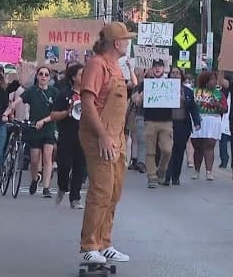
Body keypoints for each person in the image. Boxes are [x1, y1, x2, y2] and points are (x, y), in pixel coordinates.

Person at [78, 22, 133, 264]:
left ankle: (104, 243)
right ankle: (89, 245)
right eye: (126, 39)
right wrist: (102, 134)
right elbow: (88, 104)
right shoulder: (96, 64)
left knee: (114, 191)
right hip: (100, 137)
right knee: (101, 191)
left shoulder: (117, 68)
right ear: (116, 42)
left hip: (117, 138)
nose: (128, 43)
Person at [5, 65, 58, 197]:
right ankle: (35, 179)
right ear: (37, 76)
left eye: (46, 74)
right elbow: (17, 101)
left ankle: (46, 188)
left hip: (48, 128)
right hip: (34, 128)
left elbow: (57, 112)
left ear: (49, 77)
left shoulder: (54, 92)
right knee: (34, 160)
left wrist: (45, 121)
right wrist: (7, 112)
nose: (43, 77)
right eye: (41, 74)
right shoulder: (32, 91)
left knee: (47, 158)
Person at [132, 59, 174, 189]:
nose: (157, 69)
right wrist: (142, 96)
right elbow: (136, 102)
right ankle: (152, 177)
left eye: (160, 67)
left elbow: (176, 100)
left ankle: (161, 169)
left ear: (164, 68)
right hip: (150, 120)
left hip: (166, 121)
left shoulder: (170, 83)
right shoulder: (145, 84)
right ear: (152, 69)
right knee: (150, 151)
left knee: (167, 150)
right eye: (155, 67)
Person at [50, 63, 86, 209]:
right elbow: (53, 115)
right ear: (73, 77)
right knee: (64, 166)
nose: (85, 77)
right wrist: (67, 112)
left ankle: (75, 198)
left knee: (80, 167)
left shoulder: (89, 94)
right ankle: (62, 186)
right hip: (66, 135)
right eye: (81, 74)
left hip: (84, 136)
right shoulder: (63, 94)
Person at [163, 66, 200, 186]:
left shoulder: (187, 91)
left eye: (177, 73)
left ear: (181, 76)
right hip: (168, 123)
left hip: (182, 124)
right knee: (168, 150)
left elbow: (193, 108)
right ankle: (166, 175)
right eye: (173, 73)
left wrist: (197, 122)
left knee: (179, 151)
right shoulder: (163, 89)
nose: (175, 75)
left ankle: (175, 176)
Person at [190, 71, 228, 181]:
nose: (214, 81)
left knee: (209, 146)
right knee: (198, 147)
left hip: (213, 119)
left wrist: (217, 105)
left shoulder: (219, 94)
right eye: (211, 79)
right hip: (199, 119)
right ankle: (197, 171)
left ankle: (209, 172)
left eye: (215, 79)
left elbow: (225, 109)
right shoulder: (195, 91)